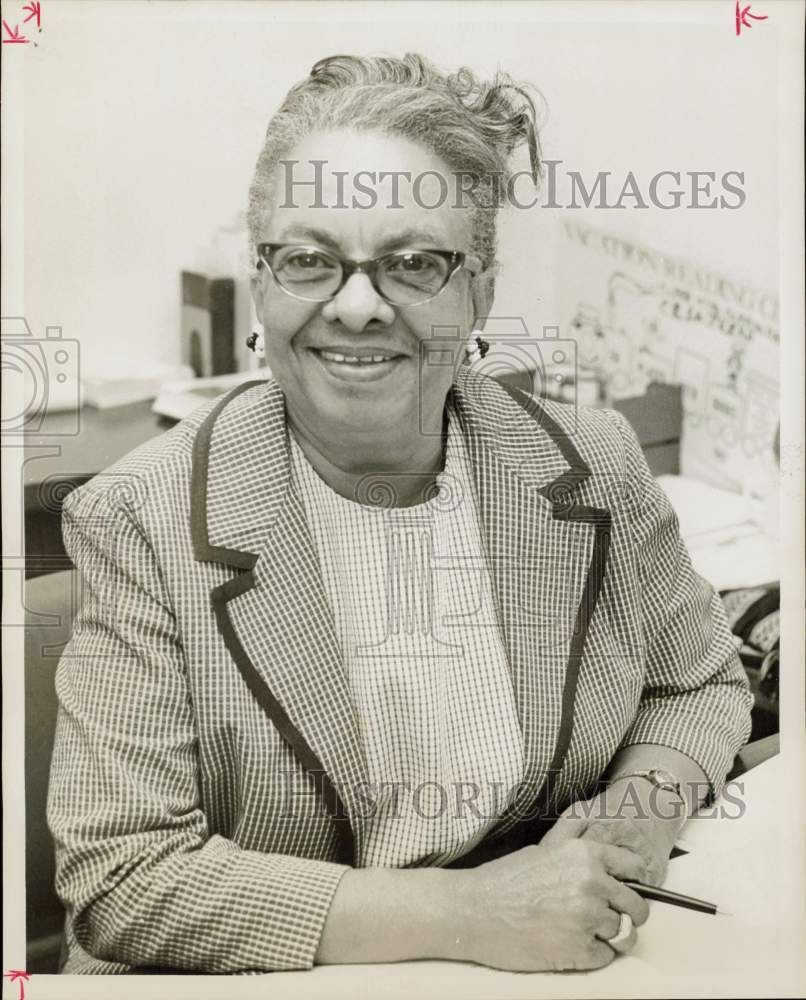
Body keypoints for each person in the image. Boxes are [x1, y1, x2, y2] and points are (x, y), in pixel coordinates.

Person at [47, 53, 752, 976]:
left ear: (480, 296)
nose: (357, 306)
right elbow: (123, 877)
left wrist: (635, 815)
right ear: (260, 286)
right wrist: (469, 914)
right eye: (309, 260)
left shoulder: (592, 462)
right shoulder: (140, 518)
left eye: (414, 264)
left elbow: (698, 682)